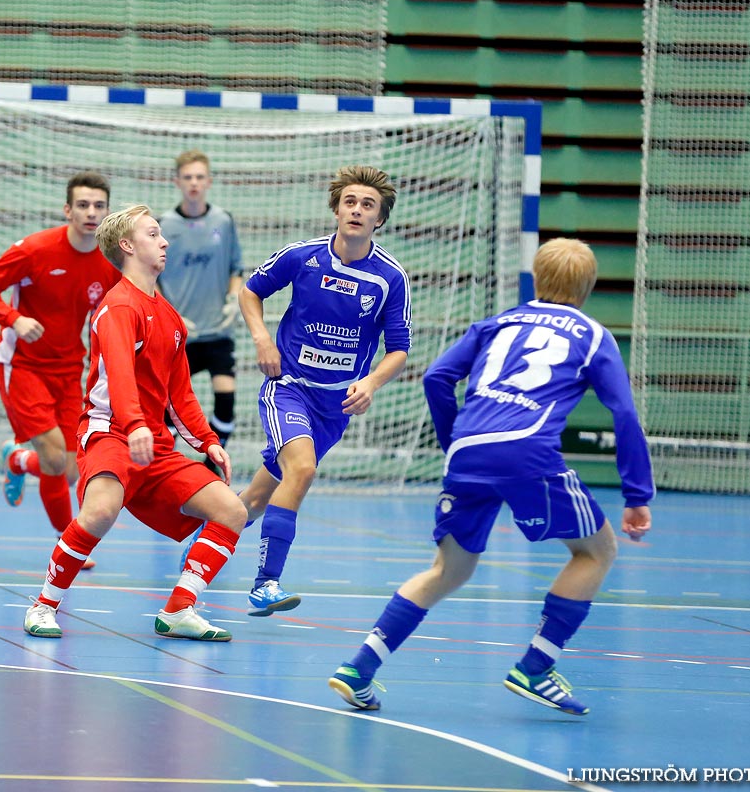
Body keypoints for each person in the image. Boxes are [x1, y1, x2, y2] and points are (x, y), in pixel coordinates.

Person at [329, 238, 654, 717]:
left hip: (469, 452)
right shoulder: (592, 334)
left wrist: (453, 440)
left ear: (536, 279)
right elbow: (623, 412)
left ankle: (359, 668)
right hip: (528, 453)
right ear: (588, 288)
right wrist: (637, 494)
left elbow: (436, 378)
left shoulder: (498, 322)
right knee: (597, 550)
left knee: (449, 570)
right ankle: (537, 666)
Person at [22, 205, 248, 641]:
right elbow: (121, 373)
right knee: (101, 511)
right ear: (127, 246)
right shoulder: (117, 306)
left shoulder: (169, 317)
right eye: (154, 234)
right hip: (111, 432)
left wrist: (206, 440)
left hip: (155, 443)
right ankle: (43, 605)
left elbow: (179, 391)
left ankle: (180, 609)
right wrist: (135, 423)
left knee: (230, 510)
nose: (164, 242)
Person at [236, 165, 411, 616]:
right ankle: (265, 583)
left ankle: (201, 549)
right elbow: (250, 293)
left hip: (336, 407)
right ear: (336, 209)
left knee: (256, 498)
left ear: (380, 219)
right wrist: (261, 338)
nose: (356, 210)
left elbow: (399, 350)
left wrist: (371, 382)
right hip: (289, 388)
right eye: (350, 202)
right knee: (303, 470)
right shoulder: (303, 257)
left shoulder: (390, 278)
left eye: (367, 205)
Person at [0, 172, 121, 544]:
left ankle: (18, 461)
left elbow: (121, 310)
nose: (91, 212)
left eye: (98, 206)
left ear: (107, 212)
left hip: (70, 370)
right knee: (54, 459)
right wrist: (14, 318)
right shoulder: (35, 250)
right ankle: (69, 543)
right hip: (21, 365)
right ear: (67, 210)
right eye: (83, 205)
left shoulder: (108, 263)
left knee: (69, 471)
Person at [157, 150, 245, 447]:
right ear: (177, 182)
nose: (193, 183)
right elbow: (149, 278)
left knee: (225, 402)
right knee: (167, 410)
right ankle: (167, 472)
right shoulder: (164, 225)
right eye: (187, 177)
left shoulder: (224, 220)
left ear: (209, 181)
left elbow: (236, 267)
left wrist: (234, 296)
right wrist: (171, 314)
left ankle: (210, 470)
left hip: (217, 331)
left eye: (199, 177)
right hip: (179, 333)